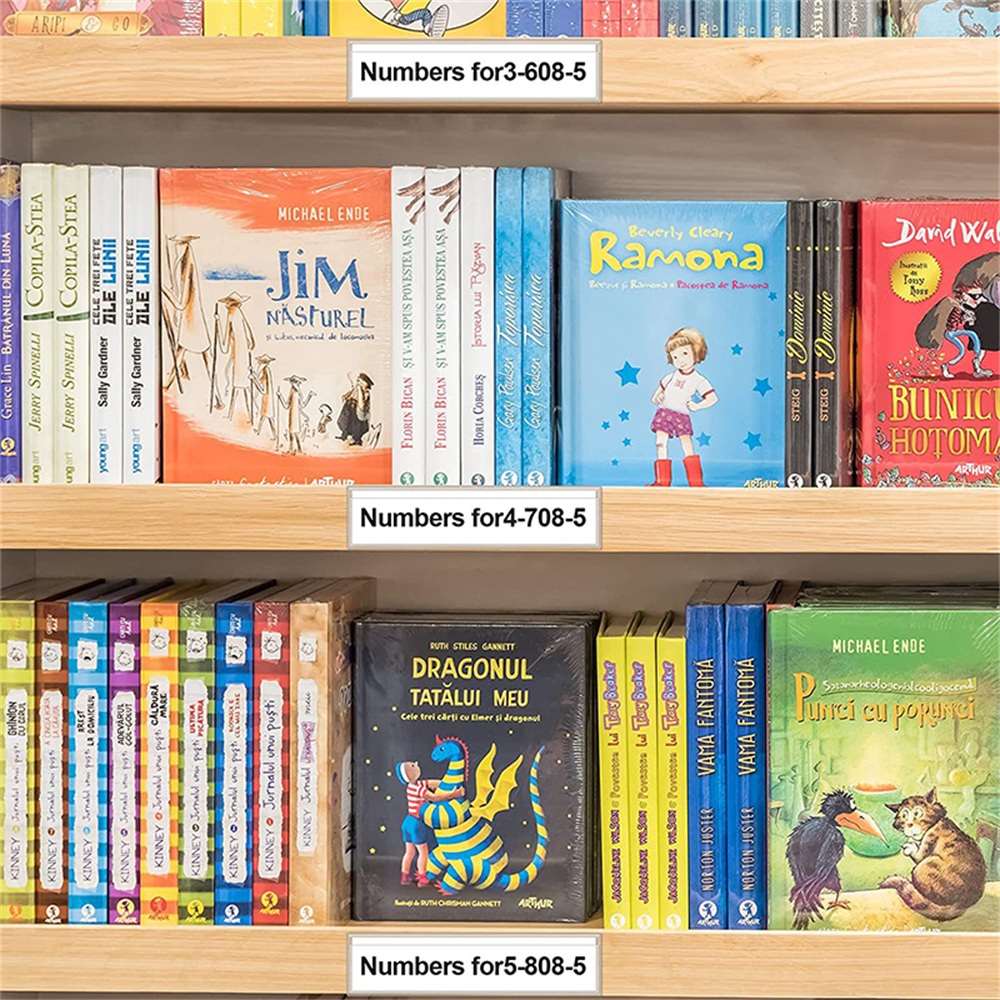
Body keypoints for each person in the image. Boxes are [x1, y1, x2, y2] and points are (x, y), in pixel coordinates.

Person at [650, 327, 718, 488]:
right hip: (664, 413)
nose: (680, 360)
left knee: (687, 445)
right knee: (660, 443)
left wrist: (697, 406)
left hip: (681, 415)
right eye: (675, 357)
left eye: (685, 353)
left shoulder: (698, 380)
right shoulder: (669, 377)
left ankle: (696, 482)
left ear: (696, 353)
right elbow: (655, 397)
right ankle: (662, 481)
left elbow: (712, 398)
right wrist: (658, 397)